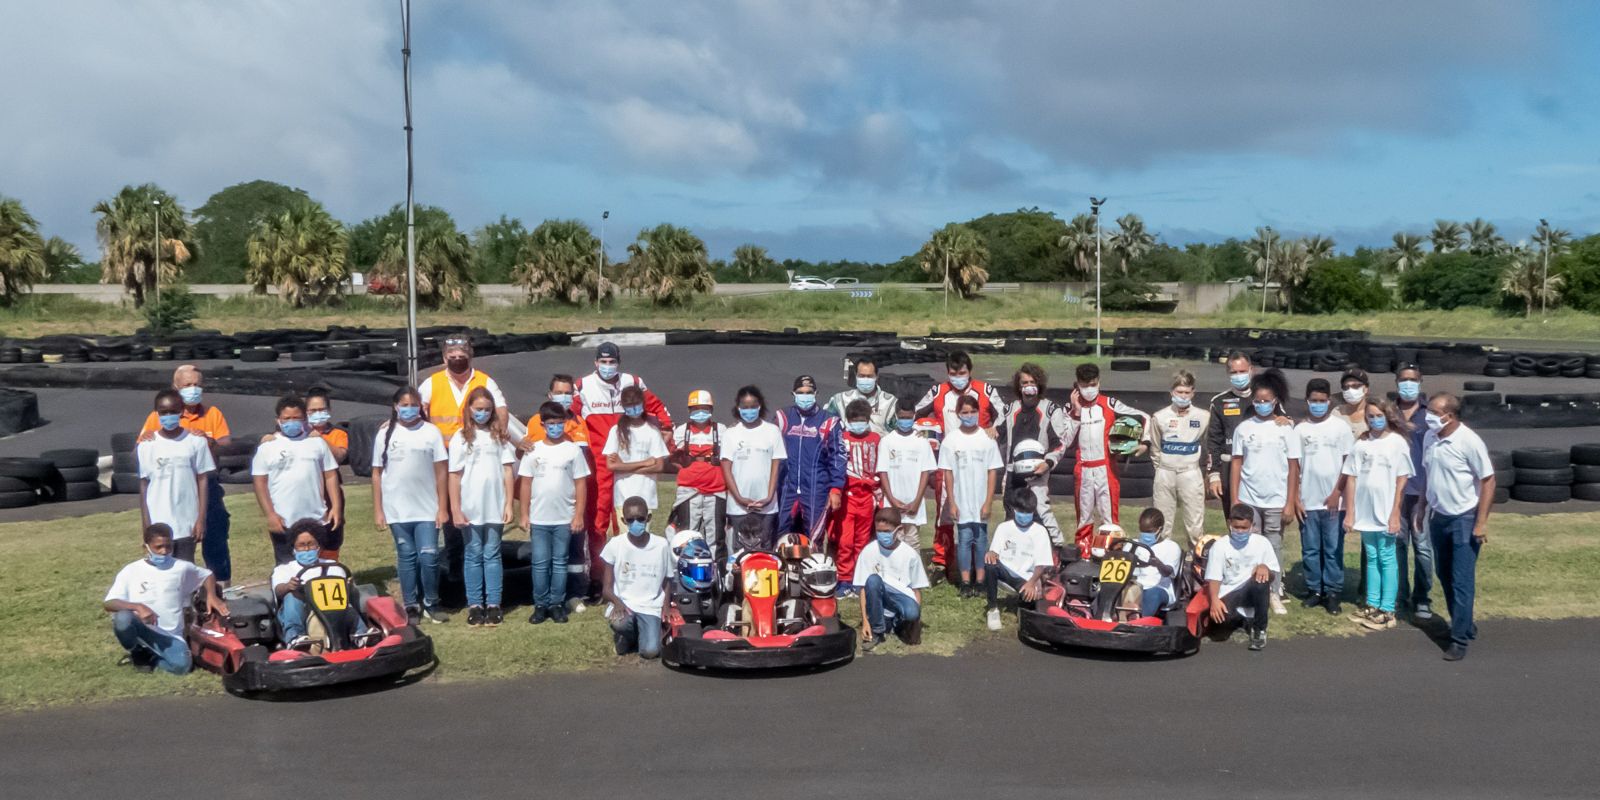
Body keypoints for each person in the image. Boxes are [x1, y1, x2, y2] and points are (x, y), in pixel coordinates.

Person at [573, 342, 672, 599]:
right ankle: (597, 575)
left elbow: (658, 408)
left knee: (627, 519)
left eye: (612, 362)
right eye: (603, 362)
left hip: (629, 464)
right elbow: (568, 416)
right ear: (596, 362)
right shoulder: (582, 386)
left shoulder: (634, 381)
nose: (608, 367)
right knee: (597, 520)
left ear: (619, 361)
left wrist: (666, 429)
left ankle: (627, 573)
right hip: (598, 462)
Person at [137, 364, 232, 585]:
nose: (193, 389)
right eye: (188, 385)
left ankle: (221, 589)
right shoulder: (156, 417)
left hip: (205, 489)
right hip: (167, 498)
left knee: (215, 538)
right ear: (176, 387)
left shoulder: (211, 414)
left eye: (197, 385)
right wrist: (148, 437)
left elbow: (226, 444)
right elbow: (142, 458)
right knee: (171, 554)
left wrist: (208, 441)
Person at [915, 350, 1004, 580]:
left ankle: (977, 565)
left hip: (978, 461)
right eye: (953, 373)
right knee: (945, 512)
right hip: (949, 459)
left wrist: (995, 427)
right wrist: (925, 431)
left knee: (978, 514)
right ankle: (941, 561)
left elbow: (1004, 412)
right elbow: (915, 411)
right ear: (947, 372)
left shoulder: (986, 390)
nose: (958, 377)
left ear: (969, 372)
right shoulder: (938, 391)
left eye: (962, 373)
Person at [1421, 393, 1495, 661]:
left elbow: (1488, 481)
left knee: (1461, 580)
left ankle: (1459, 639)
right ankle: (1463, 623)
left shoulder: (1469, 441)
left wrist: (1481, 522)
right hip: (1438, 516)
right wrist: (1421, 507)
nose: (1427, 415)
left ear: (1448, 415)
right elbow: (1429, 475)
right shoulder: (1431, 438)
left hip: (1464, 518)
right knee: (1444, 574)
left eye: (1432, 411)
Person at [371, 387, 450, 624]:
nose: (409, 409)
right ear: (395, 407)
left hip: (427, 507)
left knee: (429, 556)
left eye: (414, 404)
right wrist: (379, 509)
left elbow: (441, 472)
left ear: (421, 407)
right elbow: (376, 473)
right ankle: (411, 605)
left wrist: (442, 507)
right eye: (404, 405)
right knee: (407, 556)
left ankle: (432, 602)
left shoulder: (431, 432)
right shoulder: (385, 434)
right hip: (397, 508)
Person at [104, 523, 226, 674]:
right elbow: (109, 603)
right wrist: (138, 607)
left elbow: (207, 575)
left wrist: (212, 596)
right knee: (123, 619)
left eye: (169, 547)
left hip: (169, 634)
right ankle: (137, 650)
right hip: (143, 629)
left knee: (182, 667)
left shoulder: (181, 567)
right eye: (158, 547)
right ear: (146, 547)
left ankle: (152, 658)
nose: (164, 552)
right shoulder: (130, 571)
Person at [1228, 370, 1299, 614]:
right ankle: (1250, 590)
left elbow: (1293, 467)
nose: (1261, 404)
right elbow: (1236, 462)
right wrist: (1236, 499)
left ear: (1275, 400)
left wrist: (1290, 502)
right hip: (1249, 498)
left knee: (1273, 544)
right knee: (1249, 544)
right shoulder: (1244, 428)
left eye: (1266, 400)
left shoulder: (1286, 429)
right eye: (1257, 400)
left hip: (1276, 499)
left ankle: (1275, 591)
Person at [1342, 399, 1415, 632]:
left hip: (1386, 509)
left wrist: (1395, 513)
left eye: (1378, 415)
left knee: (1387, 557)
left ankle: (1387, 609)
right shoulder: (1362, 443)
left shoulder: (1397, 443)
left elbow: (1402, 479)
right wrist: (1351, 512)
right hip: (1366, 509)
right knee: (1371, 557)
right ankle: (1372, 604)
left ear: (1388, 416)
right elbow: (1351, 476)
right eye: (1370, 416)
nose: (1374, 420)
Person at [448, 387, 517, 627]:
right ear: (469, 409)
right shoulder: (461, 437)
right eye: (479, 409)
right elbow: (454, 476)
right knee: (473, 553)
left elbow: (508, 470)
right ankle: (475, 604)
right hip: (470, 505)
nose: (483, 414)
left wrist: (509, 503)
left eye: (488, 410)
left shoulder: (499, 436)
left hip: (494, 504)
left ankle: (494, 603)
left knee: (492, 553)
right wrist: (455, 509)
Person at [519, 401, 592, 624]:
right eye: (551, 424)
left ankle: (557, 604)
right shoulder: (533, 450)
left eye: (560, 423)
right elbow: (525, 484)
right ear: (542, 425)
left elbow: (580, 484)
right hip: (540, 518)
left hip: (564, 518)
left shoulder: (572, 450)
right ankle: (540, 605)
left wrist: (578, 515)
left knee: (560, 561)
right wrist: (524, 514)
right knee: (541, 562)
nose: (556, 428)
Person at [250, 395, 341, 566]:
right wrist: (270, 515)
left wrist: (336, 507)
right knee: (287, 569)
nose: (292, 422)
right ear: (278, 420)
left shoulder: (317, 443)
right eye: (287, 418)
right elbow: (260, 483)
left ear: (305, 419)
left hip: (316, 518)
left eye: (297, 418)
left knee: (319, 565)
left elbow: (330, 475)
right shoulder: (267, 447)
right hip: (284, 520)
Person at [1066, 362, 1149, 545]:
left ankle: (1111, 552)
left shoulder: (1110, 403)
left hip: (1106, 468)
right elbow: (1065, 441)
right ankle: (1084, 553)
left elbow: (1144, 417)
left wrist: (1144, 442)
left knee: (1109, 518)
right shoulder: (1070, 409)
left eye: (1093, 384)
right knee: (1084, 518)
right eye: (1084, 385)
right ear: (1077, 385)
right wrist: (1076, 413)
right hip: (1083, 469)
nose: (1089, 389)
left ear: (1099, 383)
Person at [1294, 378, 1355, 614]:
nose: (1318, 404)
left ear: (1329, 401)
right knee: (1310, 548)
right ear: (1307, 401)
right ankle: (1314, 589)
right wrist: (1296, 498)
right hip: (1308, 500)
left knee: (1332, 548)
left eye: (1322, 401)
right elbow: (1295, 467)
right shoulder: (1300, 430)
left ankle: (1332, 591)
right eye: (1313, 401)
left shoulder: (1339, 428)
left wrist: (1336, 493)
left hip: (1333, 503)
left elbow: (1347, 465)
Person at [997, 363, 1073, 546]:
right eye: (1024, 382)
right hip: (1012, 473)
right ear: (1018, 385)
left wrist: (1048, 463)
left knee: (1041, 513)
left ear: (1039, 384)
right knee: (1011, 517)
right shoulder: (1009, 409)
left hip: (1037, 473)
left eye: (1032, 382)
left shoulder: (1051, 410)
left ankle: (1058, 550)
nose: (1028, 386)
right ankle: (1014, 555)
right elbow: (995, 433)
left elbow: (1060, 443)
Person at [137, 389, 216, 564]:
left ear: (182, 411)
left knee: (185, 568)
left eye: (173, 411)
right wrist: (146, 523)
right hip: (158, 521)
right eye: (163, 412)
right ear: (156, 413)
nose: (168, 416)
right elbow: (144, 485)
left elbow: (202, 480)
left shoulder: (196, 441)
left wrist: (200, 519)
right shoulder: (146, 445)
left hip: (186, 521)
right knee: (160, 570)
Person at [1205, 352, 1287, 517]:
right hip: (1230, 466)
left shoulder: (1265, 397)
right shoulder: (1219, 402)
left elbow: (1285, 422)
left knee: (1264, 518)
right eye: (1234, 372)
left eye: (1242, 371)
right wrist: (1213, 474)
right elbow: (1213, 441)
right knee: (1235, 519)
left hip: (1260, 466)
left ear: (1251, 370)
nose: (1238, 375)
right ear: (1228, 373)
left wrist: (1287, 420)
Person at [938, 394, 1004, 597]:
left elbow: (992, 471)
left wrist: (988, 501)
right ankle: (966, 581)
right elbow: (947, 472)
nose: (969, 415)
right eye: (964, 412)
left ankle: (981, 580)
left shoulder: (987, 438)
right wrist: (952, 501)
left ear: (978, 412)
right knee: (965, 538)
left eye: (972, 412)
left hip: (980, 499)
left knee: (981, 539)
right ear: (958, 414)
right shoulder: (951, 440)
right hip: (961, 499)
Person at [271, 520, 367, 647]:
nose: (306, 548)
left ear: (319, 546)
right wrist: (288, 586)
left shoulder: (334, 567)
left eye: (311, 544)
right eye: (301, 545)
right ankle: (295, 637)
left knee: (345, 603)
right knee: (291, 597)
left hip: (333, 608)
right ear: (294, 548)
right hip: (303, 608)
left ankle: (361, 635)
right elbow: (278, 590)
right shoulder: (284, 569)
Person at [600, 496, 674, 660]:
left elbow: (668, 579)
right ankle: (627, 636)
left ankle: (640, 636)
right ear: (623, 520)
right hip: (625, 605)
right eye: (630, 520)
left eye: (640, 519)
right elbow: (606, 589)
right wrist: (617, 602)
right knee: (620, 623)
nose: (635, 523)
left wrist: (666, 605)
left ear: (648, 518)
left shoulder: (661, 545)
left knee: (650, 651)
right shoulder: (615, 545)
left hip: (651, 606)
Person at [1143, 369, 1210, 545]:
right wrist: (1161, 468)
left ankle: (1195, 563)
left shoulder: (1203, 416)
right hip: (1165, 472)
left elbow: (1208, 444)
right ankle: (1162, 562)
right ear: (1172, 392)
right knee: (1162, 523)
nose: (1183, 396)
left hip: (1190, 472)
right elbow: (1155, 448)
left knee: (1195, 525)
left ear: (1193, 393)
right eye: (1179, 392)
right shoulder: (1160, 417)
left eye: (1187, 392)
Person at [774, 375, 846, 538]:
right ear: (793, 394)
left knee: (814, 536)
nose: (804, 396)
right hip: (786, 486)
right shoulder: (782, 418)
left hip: (816, 487)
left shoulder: (829, 421)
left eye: (808, 392)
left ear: (816, 393)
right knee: (780, 533)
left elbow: (838, 457)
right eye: (800, 392)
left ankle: (813, 562)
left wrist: (836, 489)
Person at [1206, 504, 1282, 652]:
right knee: (1220, 627)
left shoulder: (1262, 543)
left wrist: (1265, 568)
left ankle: (1259, 629)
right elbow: (1214, 577)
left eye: (1244, 528)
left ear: (1252, 526)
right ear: (1229, 524)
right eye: (1236, 527)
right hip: (1230, 591)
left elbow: (1272, 575)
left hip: (1252, 588)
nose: (1240, 531)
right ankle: (1244, 618)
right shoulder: (1220, 546)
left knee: (1261, 580)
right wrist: (1214, 600)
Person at [853, 507, 930, 651]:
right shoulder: (868, 551)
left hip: (900, 599)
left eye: (887, 531)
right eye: (879, 531)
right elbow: (863, 589)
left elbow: (916, 590)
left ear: (899, 529)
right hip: (880, 603)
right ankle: (877, 630)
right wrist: (865, 621)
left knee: (912, 612)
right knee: (872, 581)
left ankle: (903, 625)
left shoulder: (910, 554)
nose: (882, 535)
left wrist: (916, 622)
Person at [721, 385, 787, 553]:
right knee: (739, 550)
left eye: (753, 406)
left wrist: (769, 496)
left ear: (760, 406)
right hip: (739, 506)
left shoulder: (772, 431)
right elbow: (726, 468)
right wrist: (739, 498)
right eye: (744, 407)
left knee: (764, 548)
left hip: (766, 506)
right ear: (738, 407)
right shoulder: (731, 433)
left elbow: (775, 465)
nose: (749, 410)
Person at [1393, 364, 1435, 620]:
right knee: (1398, 545)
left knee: (1422, 547)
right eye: (1403, 380)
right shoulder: (1389, 412)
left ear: (1420, 382)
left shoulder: (1430, 414)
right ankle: (1400, 596)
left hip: (1421, 492)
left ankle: (1422, 598)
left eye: (1413, 380)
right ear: (1396, 382)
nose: (1408, 384)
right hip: (1395, 492)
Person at [982, 488, 1052, 631]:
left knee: (1031, 607)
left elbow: (1042, 563)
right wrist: (991, 552)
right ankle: (993, 609)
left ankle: (1024, 603)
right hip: (1005, 574)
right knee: (990, 564)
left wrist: (1032, 583)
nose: (1024, 516)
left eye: (1028, 513)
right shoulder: (1003, 528)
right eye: (1022, 512)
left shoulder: (1040, 531)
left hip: (1026, 579)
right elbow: (994, 552)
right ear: (1014, 509)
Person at [418, 335, 508, 444]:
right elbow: (418, 409)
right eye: (452, 358)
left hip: (475, 446)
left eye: (461, 357)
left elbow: (501, 409)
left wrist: (499, 433)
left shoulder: (486, 382)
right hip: (441, 450)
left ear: (470, 357)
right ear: (444, 359)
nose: (457, 360)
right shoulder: (431, 383)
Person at [668, 390, 727, 557]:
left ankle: (716, 571)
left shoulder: (720, 430)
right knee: (687, 532)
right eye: (696, 409)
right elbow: (674, 458)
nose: (700, 413)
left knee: (715, 534)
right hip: (689, 490)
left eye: (704, 408)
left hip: (716, 489)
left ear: (711, 410)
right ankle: (686, 566)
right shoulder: (682, 431)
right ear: (689, 410)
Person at [832, 399, 882, 595]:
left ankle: (858, 578)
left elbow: (880, 467)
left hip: (868, 496)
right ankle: (843, 578)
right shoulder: (841, 438)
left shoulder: (876, 439)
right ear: (848, 420)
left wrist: (879, 494)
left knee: (862, 540)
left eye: (862, 420)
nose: (858, 424)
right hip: (847, 496)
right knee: (845, 540)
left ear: (868, 420)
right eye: (854, 420)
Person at [601, 385, 670, 527]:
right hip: (622, 495)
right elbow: (611, 465)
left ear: (643, 404)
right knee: (625, 537)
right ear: (623, 406)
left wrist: (623, 467)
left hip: (646, 495)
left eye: (636, 404)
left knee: (643, 535)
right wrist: (645, 462)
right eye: (629, 405)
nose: (633, 409)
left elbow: (659, 466)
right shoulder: (616, 431)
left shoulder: (652, 431)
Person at [877, 398, 937, 547]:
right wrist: (892, 500)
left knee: (912, 544)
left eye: (909, 418)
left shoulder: (922, 442)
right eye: (902, 418)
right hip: (892, 505)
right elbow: (883, 472)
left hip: (913, 507)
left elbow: (925, 472)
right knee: (891, 543)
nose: (905, 421)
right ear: (896, 416)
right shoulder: (887, 441)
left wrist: (916, 502)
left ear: (914, 415)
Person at [1130, 508, 1183, 619]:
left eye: (1149, 532)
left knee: (1152, 594)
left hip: (1159, 587)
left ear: (1160, 529)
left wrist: (1158, 564)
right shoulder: (1132, 544)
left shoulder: (1171, 547)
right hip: (1135, 584)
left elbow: (1168, 572)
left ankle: (1138, 620)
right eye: (1142, 530)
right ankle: (1097, 616)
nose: (1145, 534)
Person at [825, 354, 899, 434]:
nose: (865, 379)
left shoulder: (890, 403)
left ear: (877, 377)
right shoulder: (839, 401)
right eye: (862, 376)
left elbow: (899, 433)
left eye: (869, 376)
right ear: (855, 375)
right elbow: (826, 427)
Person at [522, 374, 587, 448]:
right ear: (550, 395)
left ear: (573, 395)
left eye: (567, 393)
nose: (563, 397)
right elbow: (527, 452)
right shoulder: (537, 420)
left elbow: (588, 454)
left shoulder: (580, 422)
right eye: (559, 393)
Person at [1334, 368, 1372, 440]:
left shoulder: (1374, 412)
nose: (1350, 390)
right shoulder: (1336, 413)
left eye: (1356, 386)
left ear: (1366, 388)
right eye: (1346, 387)